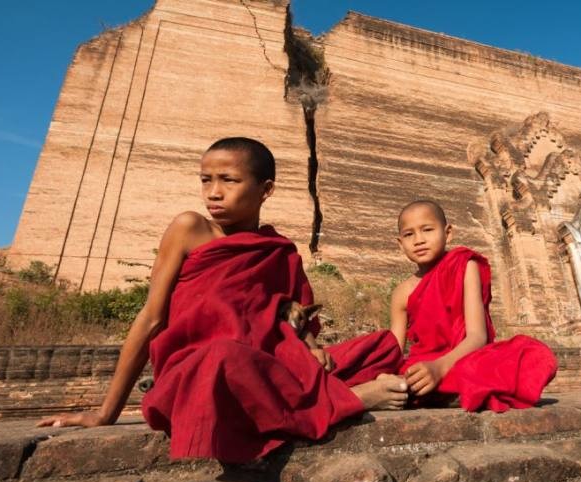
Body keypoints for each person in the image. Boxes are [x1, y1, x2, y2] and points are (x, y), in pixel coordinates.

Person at [38, 137, 408, 463]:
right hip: (200, 370)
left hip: (266, 363)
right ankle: (353, 400)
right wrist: (106, 413)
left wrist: (311, 347)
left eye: (229, 180)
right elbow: (151, 318)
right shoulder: (190, 229)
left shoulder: (279, 251)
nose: (213, 192)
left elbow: (291, 315)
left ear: (266, 190)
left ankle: (321, 392)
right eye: (206, 179)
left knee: (381, 347)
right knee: (224, 357)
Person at [389, 200, 558, 412]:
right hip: (423, 365)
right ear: (399, 243)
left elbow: (477, 336)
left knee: (533, 355)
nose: (419, 240)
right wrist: (393, 373)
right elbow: (392, 351)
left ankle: (442, 392)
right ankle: (458, 392)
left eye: (427, 230)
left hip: (464, 358)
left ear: (448, 233)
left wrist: (440, 367)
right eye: (409, 234)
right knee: (396, 375)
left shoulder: (464, 265)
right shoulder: (401, 293)